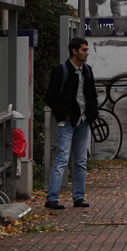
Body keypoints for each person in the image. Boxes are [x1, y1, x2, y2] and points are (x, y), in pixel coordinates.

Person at [44, 37, 99, 209]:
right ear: (74, 51)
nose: (87, 53)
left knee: (81, 161)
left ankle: (78, 197)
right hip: (67, 121)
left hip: (83, 121)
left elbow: (92, 95)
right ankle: (52, 198)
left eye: (87, 50)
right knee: (62, 158)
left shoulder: (87, 71)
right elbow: (51, 97)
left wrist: (92, 114)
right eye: (84, 50)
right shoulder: (61, 71)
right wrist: (64, 115)